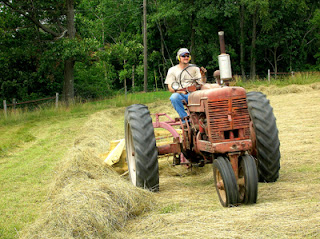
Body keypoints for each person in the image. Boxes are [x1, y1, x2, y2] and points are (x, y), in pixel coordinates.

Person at [165, 48, 204, 123]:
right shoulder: (172, 70)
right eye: (183, 56)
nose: (186, 57)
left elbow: (201, 83)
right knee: (174, 97)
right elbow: (170, 88)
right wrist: (181, 91)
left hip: (194, 93)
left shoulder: (195, 68)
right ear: (179, 58)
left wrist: (202, 76)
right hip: (181, 93)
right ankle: (185, 120)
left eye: (187, 56)